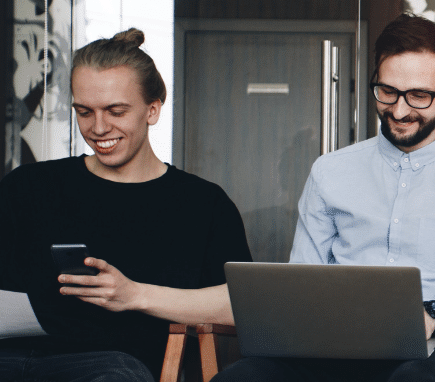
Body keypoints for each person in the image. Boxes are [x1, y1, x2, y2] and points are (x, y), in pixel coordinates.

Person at [211, 13, 435, 382]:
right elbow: (302, 279)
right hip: (328, 348)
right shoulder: (330, 172)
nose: (400, 110)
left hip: (431, 351)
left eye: (419, 96)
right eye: (387, 91)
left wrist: (433, 314)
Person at [0, 28, 253, 381]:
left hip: (111, 366)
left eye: (116, 111)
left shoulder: (202, 205)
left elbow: (242, 304)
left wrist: (134, 295)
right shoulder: (26, 187)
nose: (98, 128)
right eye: (84, 112)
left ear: (152, 110)